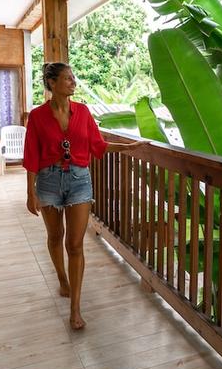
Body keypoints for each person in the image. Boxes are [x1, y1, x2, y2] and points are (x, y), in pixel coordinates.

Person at [23, 62, 146, 330]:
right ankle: (62, 279)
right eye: (67, 78)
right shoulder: (37, 116)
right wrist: (30, 192)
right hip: (48, 181)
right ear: (52, 83)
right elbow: (31, 154)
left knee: (75, 245)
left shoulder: (84, 112)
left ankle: (75, 308)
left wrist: (128, 146)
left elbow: (97, 144)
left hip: (79, 180)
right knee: (55, 236)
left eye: (73, 77)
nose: (73, 82)